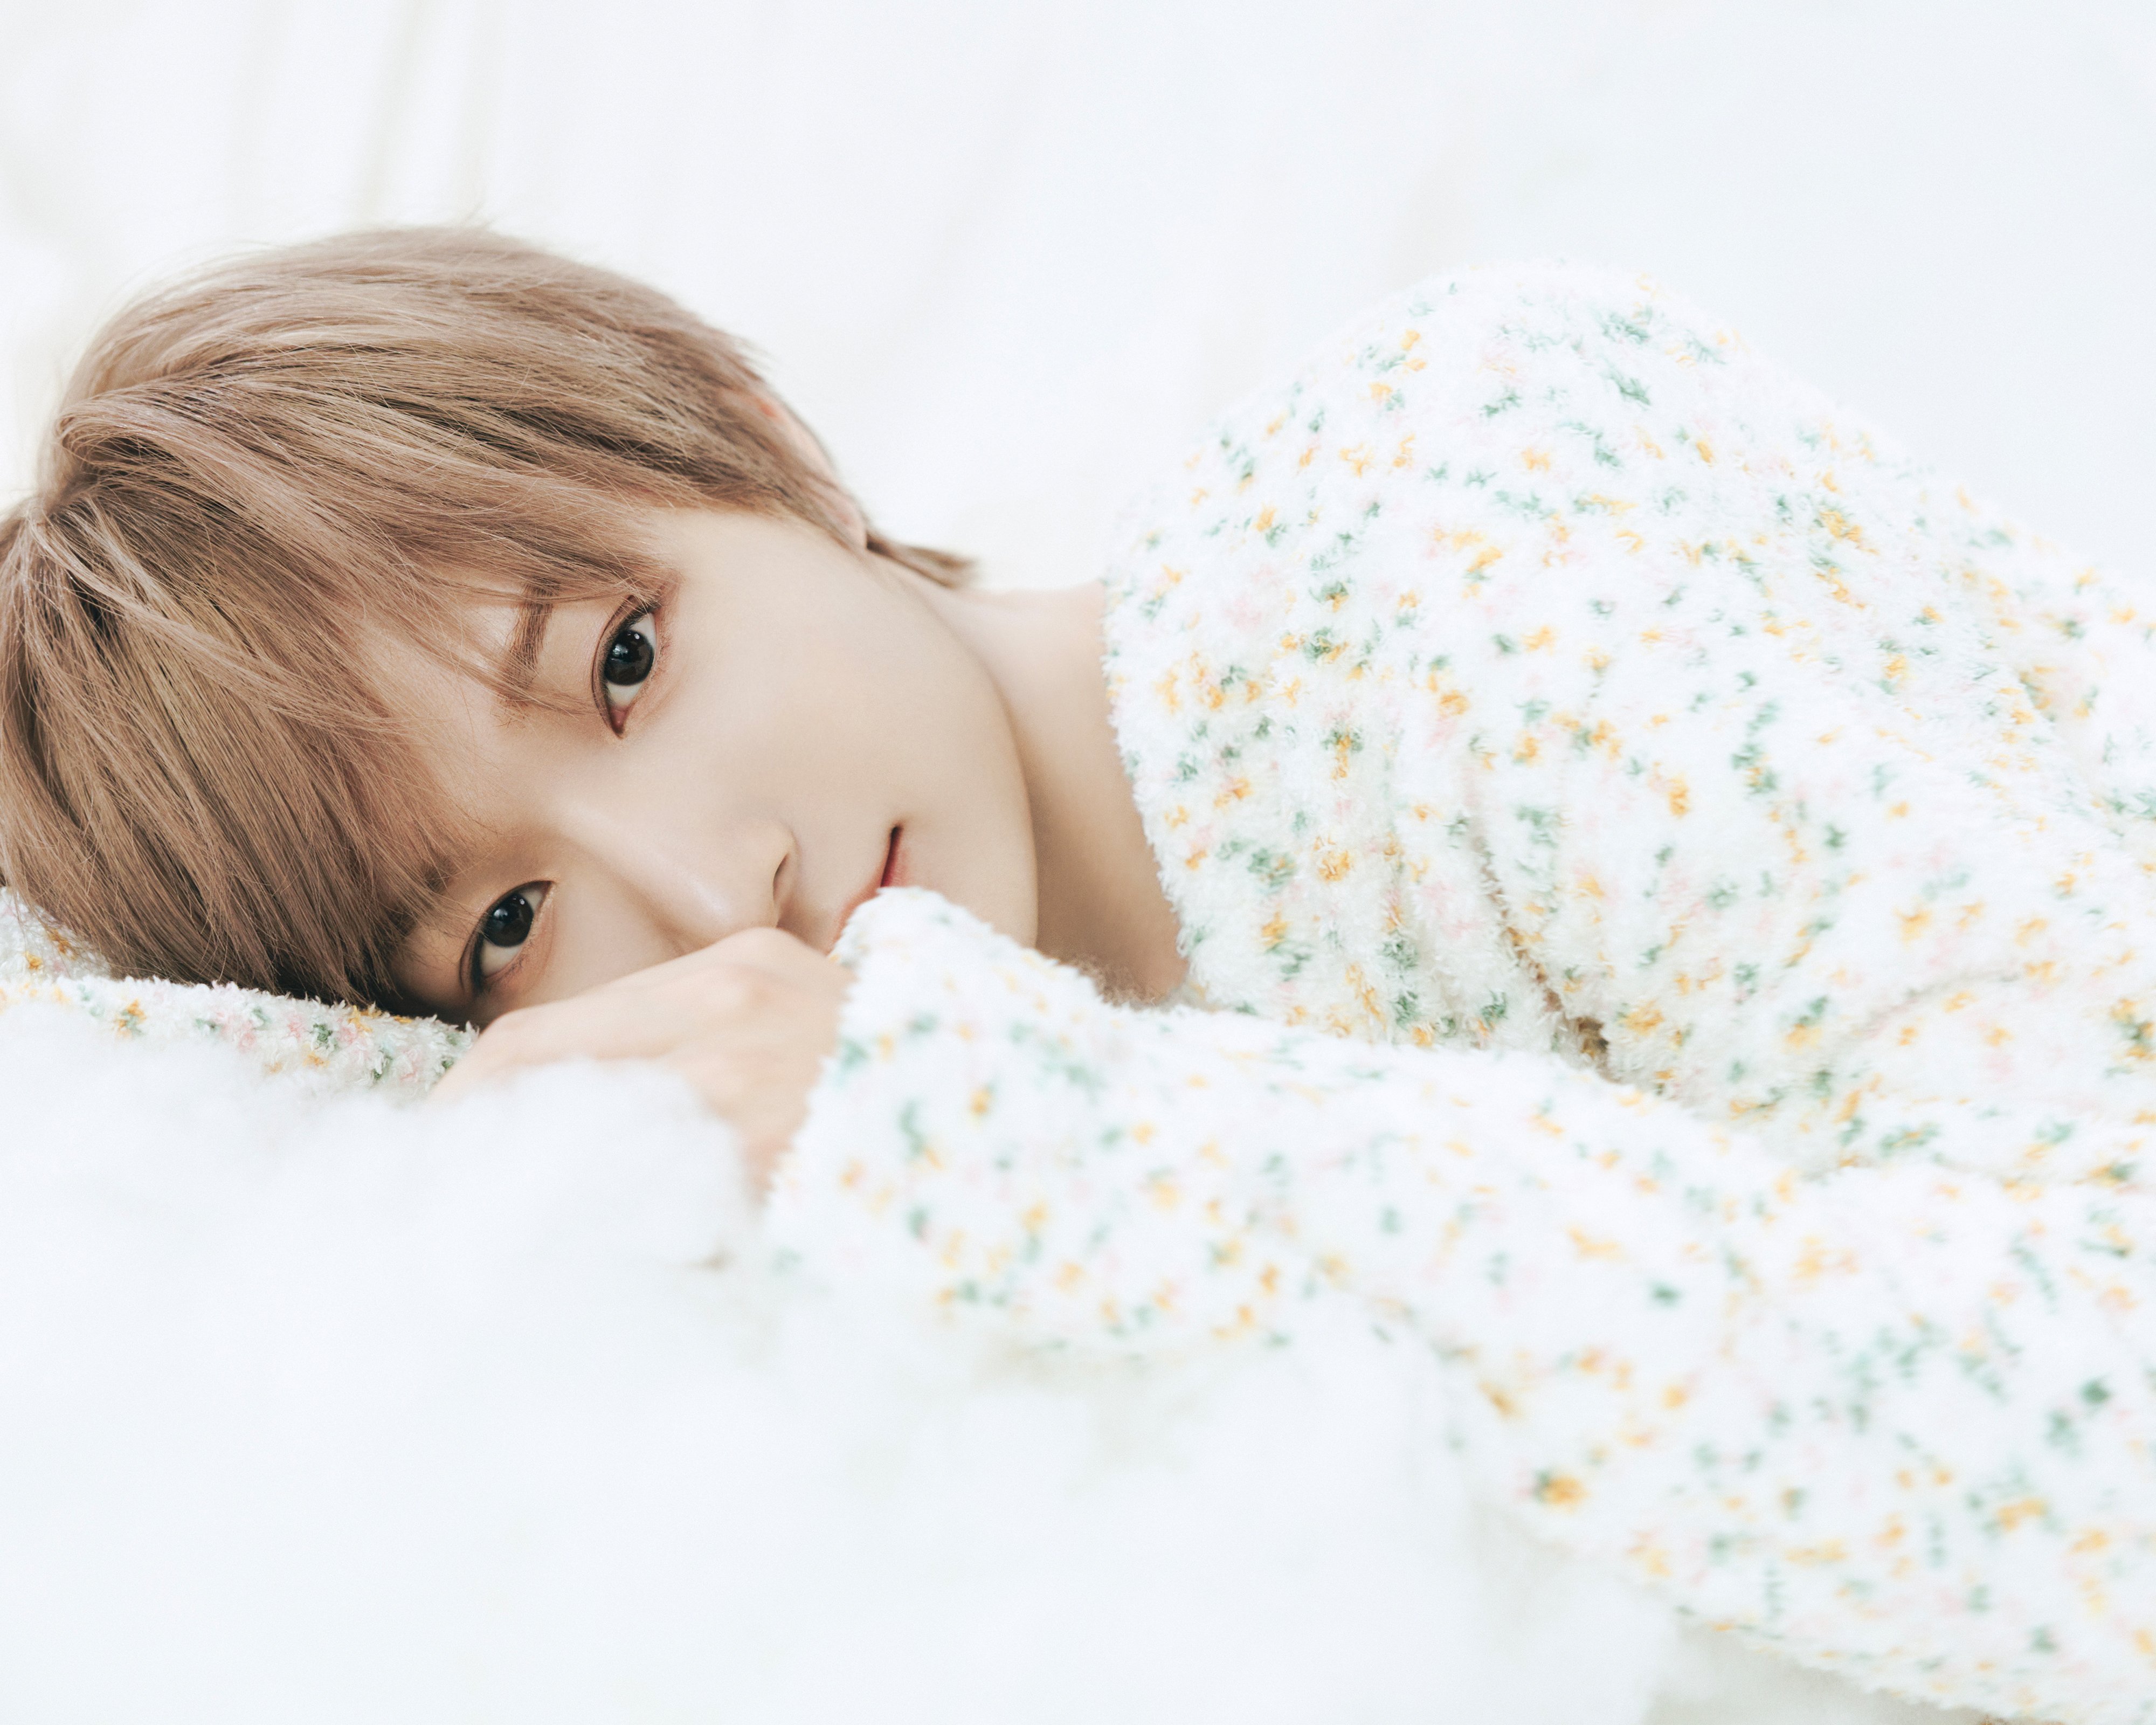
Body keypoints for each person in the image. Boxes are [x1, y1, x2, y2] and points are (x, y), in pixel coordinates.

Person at [2, 228, 2152, 1723]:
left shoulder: (1454, 515)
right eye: (505, 926)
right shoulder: (808, 1170)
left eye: (626, 659)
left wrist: (1014, 1121)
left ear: (749, 438)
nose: (715, 888)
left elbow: (2106, 1437)